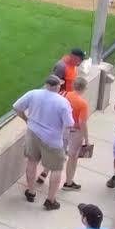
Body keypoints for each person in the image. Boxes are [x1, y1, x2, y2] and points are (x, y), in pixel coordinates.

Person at [13, 74, 73, 209]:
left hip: (32, 133)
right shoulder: (63, 102)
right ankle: (50, 200)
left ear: (46, 85)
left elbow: (17, 107)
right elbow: (69, 124)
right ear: (58, 87)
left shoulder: (33, 94)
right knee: (56, 168)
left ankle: (31, 192)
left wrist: (26, 119)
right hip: (53, 139)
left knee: (32, 162)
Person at [40, 76, 90, 192]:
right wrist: (87, 139)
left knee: (57, 152)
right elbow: (82, 122)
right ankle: (68, 183)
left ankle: (45, 172)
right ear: (84, 88)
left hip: (61, 129)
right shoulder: (83, 104)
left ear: (73, 85)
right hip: (75, 132)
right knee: (73, 157)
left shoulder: (63, 94)